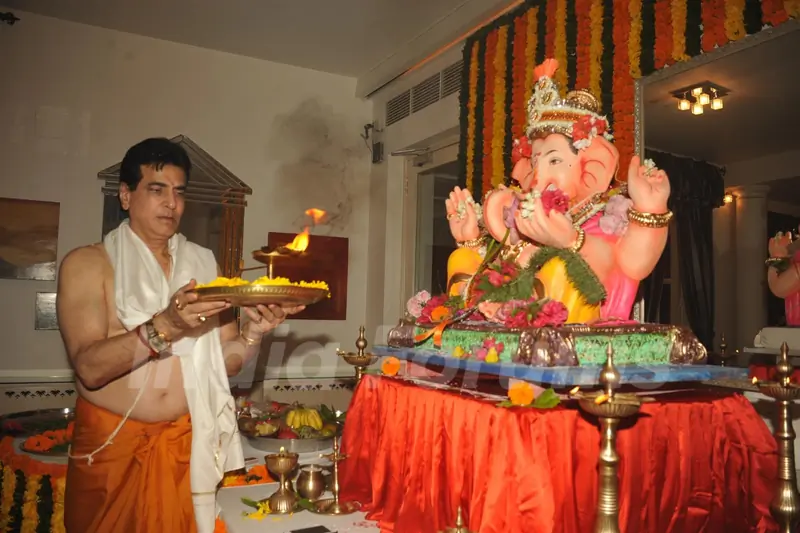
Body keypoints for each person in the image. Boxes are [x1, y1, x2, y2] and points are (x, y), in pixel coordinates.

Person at [57, 137, 303, 533]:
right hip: (113, 447)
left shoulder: (202, 265)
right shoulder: (88, 265)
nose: (171, 203)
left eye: (179, 192)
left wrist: (254, 332)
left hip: (186, 446)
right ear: (125, 195)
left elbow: (229, 363)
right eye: (157, 190)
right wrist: (166, 325)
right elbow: (88, 367)